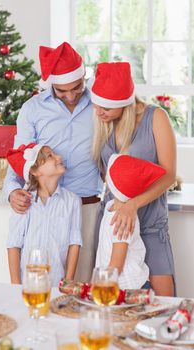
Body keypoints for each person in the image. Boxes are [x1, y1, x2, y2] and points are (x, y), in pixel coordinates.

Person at [3, 42, 102, 282]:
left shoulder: (100, 106)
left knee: (81, 286)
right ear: (52, 85)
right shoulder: (32, 110)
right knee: (40, 282)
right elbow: (21, 157)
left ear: (84, 77)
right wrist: (12, 191)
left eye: (76, 88)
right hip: (40, 207)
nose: (70, 96)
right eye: (62, 91)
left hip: (85, 207)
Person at [90, 62, 176, 296]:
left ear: (124, 102)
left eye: (106, 107)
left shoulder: (156, 118)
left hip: (149, 223)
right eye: (96, 104)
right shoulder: (103, 121)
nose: (99, 111)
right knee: (113, 299)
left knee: (164, 305)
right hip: (115, 224)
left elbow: (168, 174)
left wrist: (133, 205)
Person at [6, 142, 82, 286]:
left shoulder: (72, 201)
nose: (59, 157)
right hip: (27, 285)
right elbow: (13, 245)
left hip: (56, 284)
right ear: (35, 171)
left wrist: (68, 283)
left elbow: (74, 243)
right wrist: (15, 287)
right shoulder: (24, 202)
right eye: (50, 156)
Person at [96, 153, 166, 290]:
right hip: (120, 286)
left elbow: (117, 266)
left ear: (110, 184)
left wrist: (99, 286)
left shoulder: (121, 220)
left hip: (130, 289)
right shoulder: (111, 206)